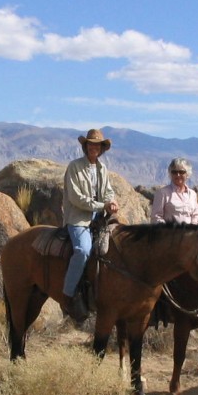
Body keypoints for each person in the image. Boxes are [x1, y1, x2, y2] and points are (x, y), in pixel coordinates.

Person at [62, 128, 119, 322]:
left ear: (101, 148)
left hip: (100, 218)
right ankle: (68, 296)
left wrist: (111, 202)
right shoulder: (74, 167)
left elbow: (108, 191)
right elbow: (76, 198)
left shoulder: (102, 169)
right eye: (90, 144)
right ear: (85, 146)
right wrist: (102, 205)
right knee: (83, 250)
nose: (94, 147)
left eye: (97, 145)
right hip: (79, 218)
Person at [151, 157, 198, 225]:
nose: (178, 175)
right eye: (174, 172)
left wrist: (193, 229)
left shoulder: (192, 194)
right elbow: (156, 217)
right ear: (170, 174)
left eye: (181, 172)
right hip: (169, 234)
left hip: (189, 234)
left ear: (187, 174)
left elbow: (195, 216)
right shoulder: (162, 193)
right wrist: (168, 230)